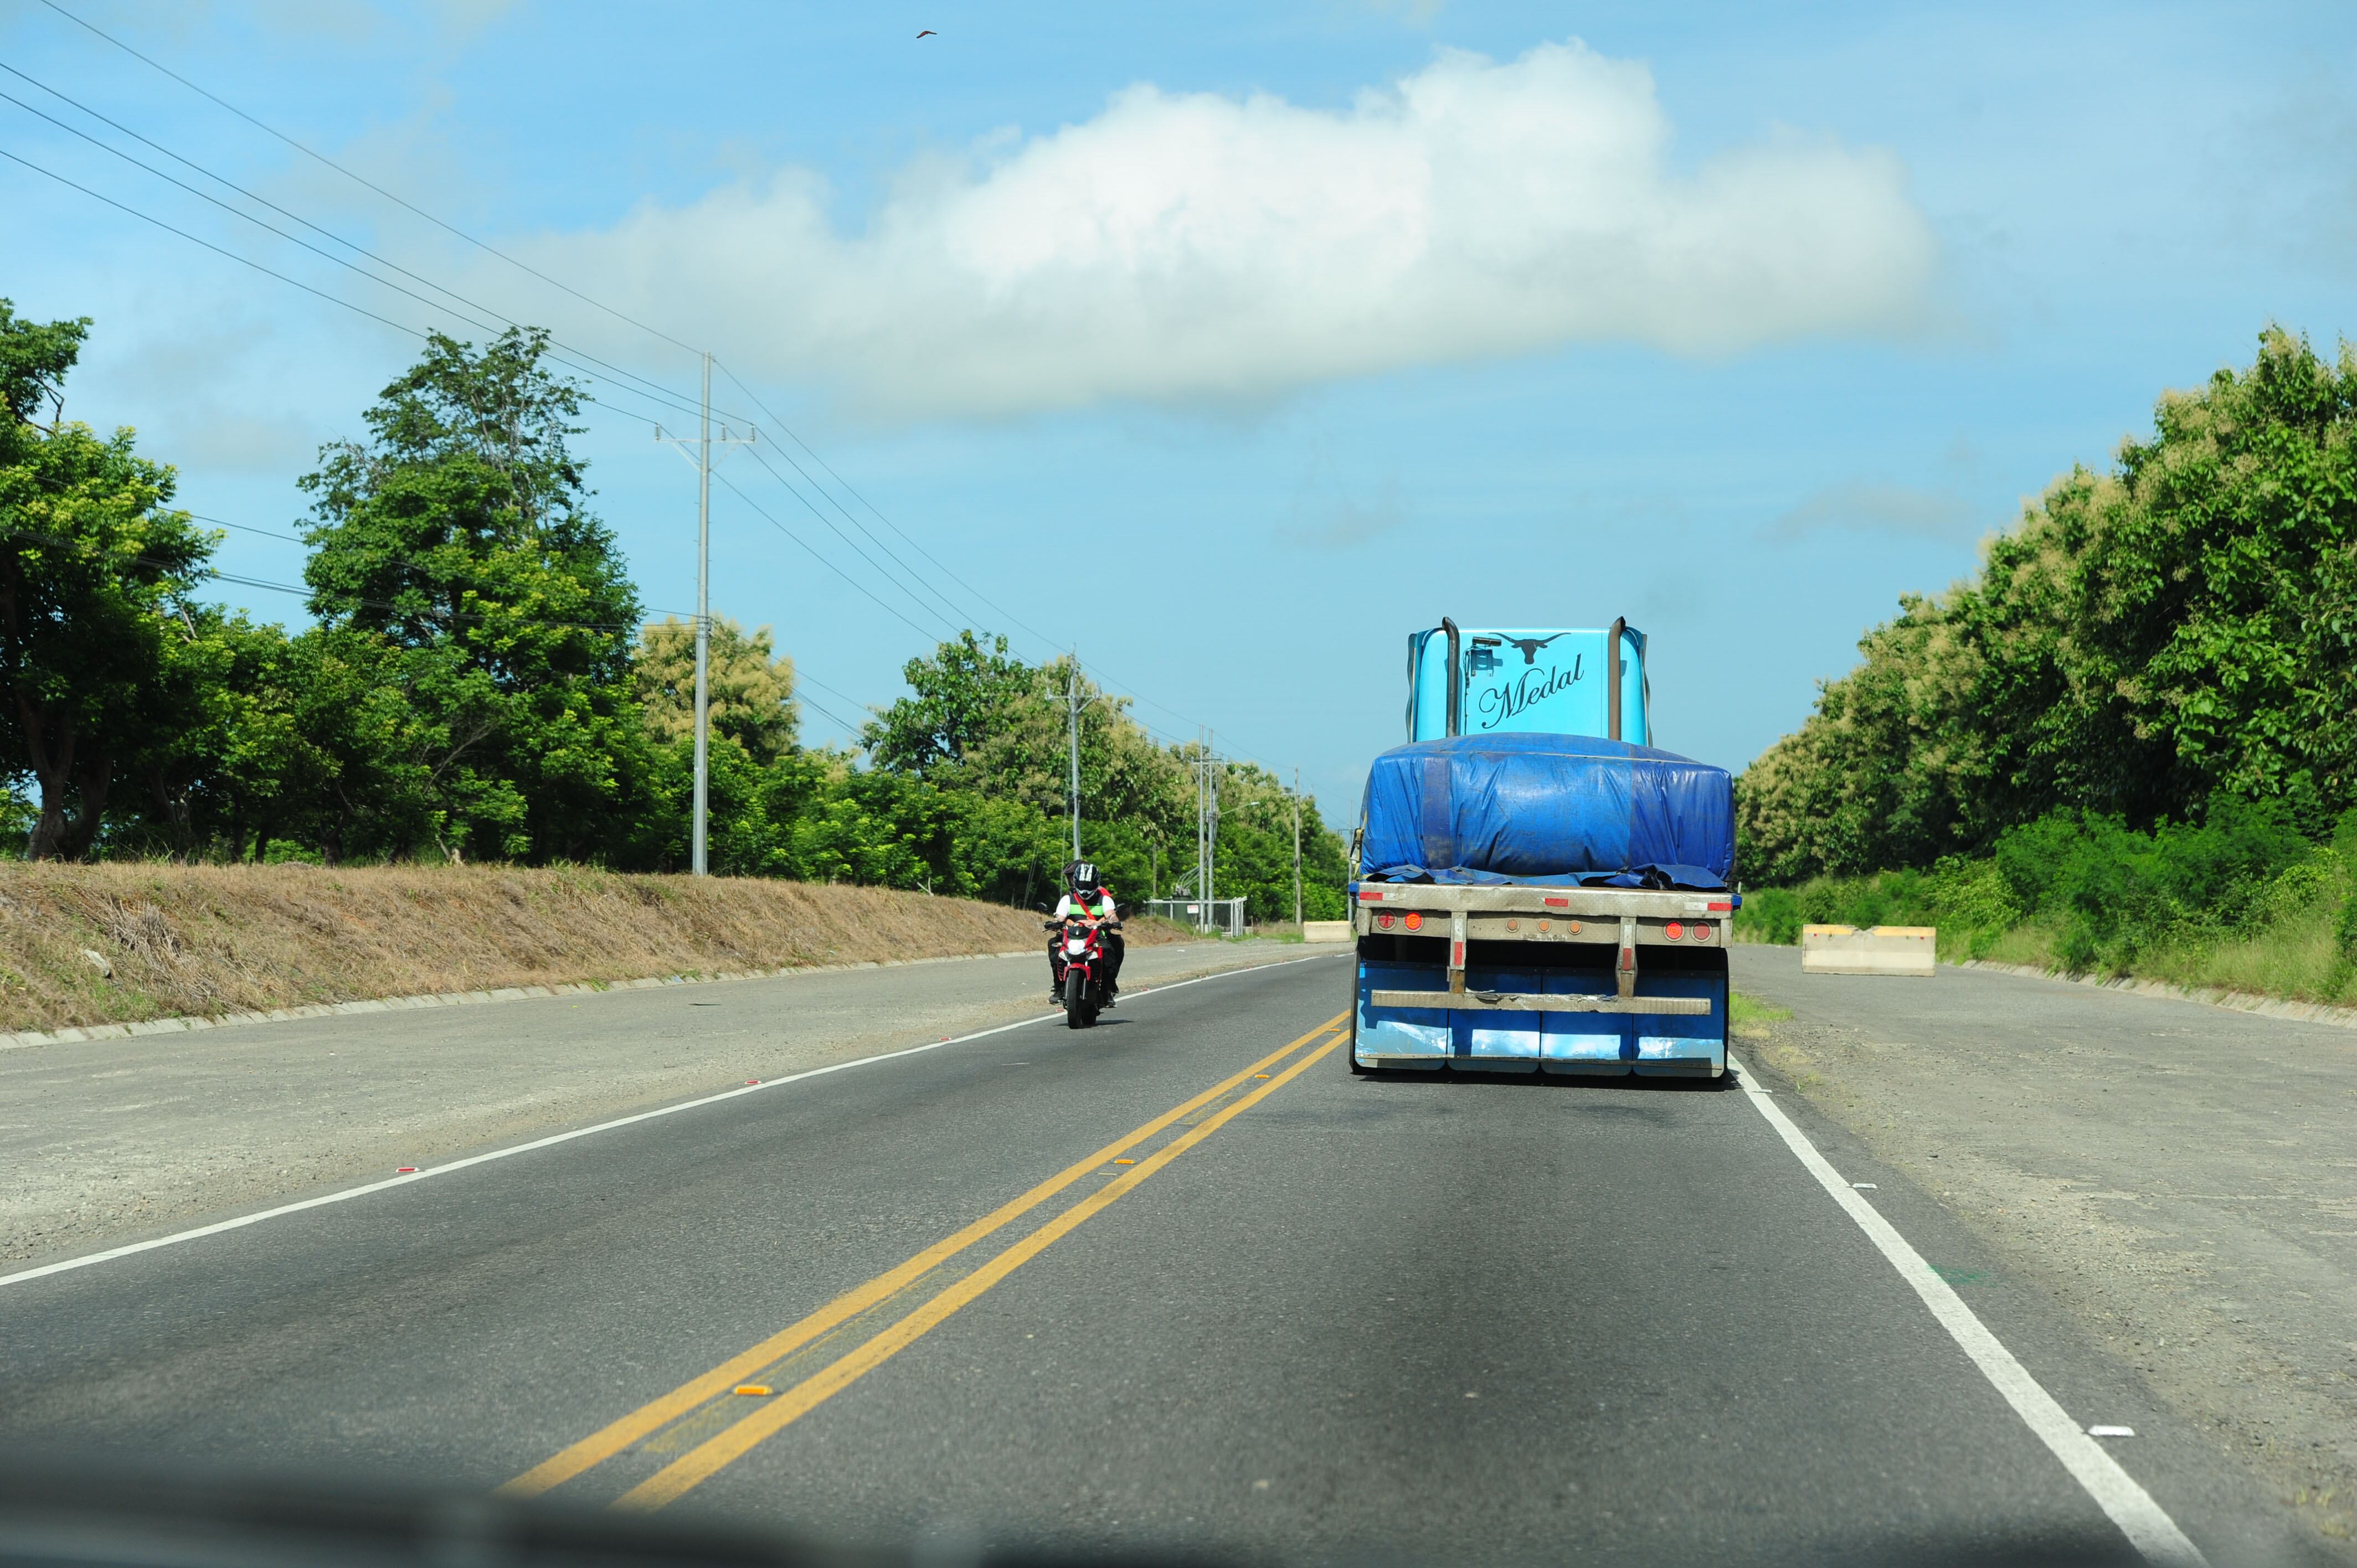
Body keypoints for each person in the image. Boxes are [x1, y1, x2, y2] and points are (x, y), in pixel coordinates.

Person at [1048, 859, 1124, 1003]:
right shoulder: (1067, 899)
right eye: (1082, 885)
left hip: (1096, 937)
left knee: (1109, 950)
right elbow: (1059, 918)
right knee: (1055, 948)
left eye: (1089, 885)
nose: (1085, 889)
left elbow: (1112, 916)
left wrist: (1099, 922)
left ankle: (1107, 989)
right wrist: (1070, 923)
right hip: (1071, 938)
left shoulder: (1104, 899)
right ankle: (1059, 988)